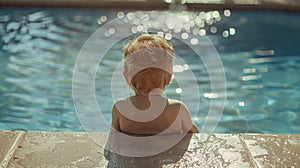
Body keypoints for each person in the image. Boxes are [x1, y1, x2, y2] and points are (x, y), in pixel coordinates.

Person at [111, 34, 199, 135]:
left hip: (133, 150)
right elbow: (195, 136)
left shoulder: (120, 108)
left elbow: (113, 140)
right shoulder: (177, 109)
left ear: (127, 77)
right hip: (169, 150)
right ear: (169, 78)